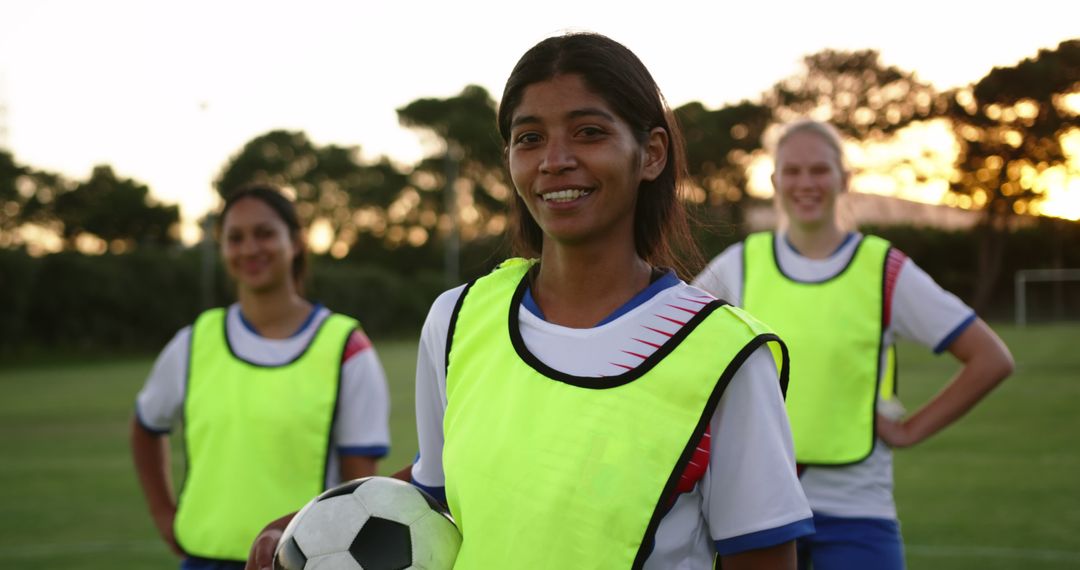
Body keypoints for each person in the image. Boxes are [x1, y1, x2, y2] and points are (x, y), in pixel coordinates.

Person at [247, 32, 813, 570]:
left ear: (652, 154)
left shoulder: (724, 354)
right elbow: (436, 486)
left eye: (589, 132)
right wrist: (306, 526)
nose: (554, 160)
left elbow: (761, 556)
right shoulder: (457, 318)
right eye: (529, 137)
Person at [693, 119, 1015, 569]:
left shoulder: (883, 269)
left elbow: (990, 358)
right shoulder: (739, 266)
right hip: (756, 509)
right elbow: (677, 350)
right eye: (793, 171)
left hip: (857, 509)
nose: (806, 183)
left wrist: (910, 429)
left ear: (845, 179)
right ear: (774, 181)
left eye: (819, 170)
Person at [131, 184, 392, 570]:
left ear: (298, 241)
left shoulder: (345, 348)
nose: (250, 249)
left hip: (301, 563)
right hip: (203, 561)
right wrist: (163, 515)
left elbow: (356, 491)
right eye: (235, 238)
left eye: (265, 233)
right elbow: (146, 426)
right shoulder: (194, 341)